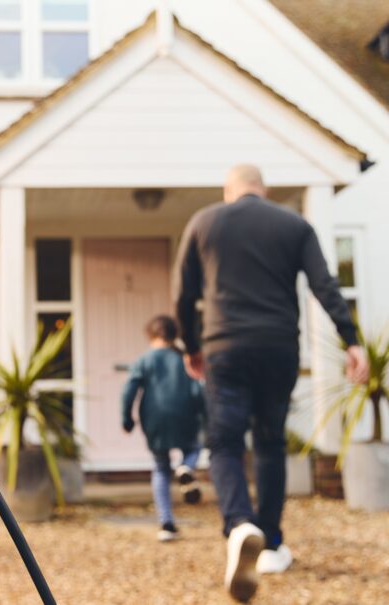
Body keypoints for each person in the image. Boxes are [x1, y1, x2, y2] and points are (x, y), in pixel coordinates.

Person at [174, 164, 368, 602]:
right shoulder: (294, 224)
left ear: (229, 192)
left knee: (224, 442)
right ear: (263, 189)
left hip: (224, 347)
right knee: (269, 443)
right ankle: (272, 544)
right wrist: (351, 340)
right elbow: (325, 284)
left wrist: (191, 345)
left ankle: (240, 523)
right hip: (279, 347)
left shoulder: (204, 222)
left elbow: (183, 293)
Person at [121, 315, 205, 542]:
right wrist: (204, 416)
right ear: (174, 335)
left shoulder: (144, 361)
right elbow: (198, 390)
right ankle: (186, 467)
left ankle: (166, 523)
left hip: (154, 418)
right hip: (185, 415)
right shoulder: (184, 359)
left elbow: (129, 390)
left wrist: (126, 419)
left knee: (160, 467)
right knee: (194, 446)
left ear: (151, 335)